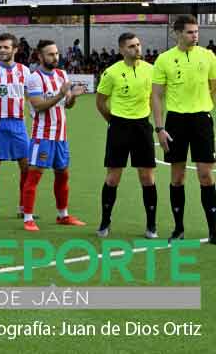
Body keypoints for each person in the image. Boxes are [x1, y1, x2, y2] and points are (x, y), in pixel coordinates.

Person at [151, 15, 216, 244]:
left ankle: (213, 229)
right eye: (190, 32)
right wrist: (159, 127)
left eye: (196, 31)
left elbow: (214, 88)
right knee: (177, 177)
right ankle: (178, 229)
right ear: (176, 33)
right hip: (176, 121)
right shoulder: (164, 60)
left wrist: (205, 111)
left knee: (205, 175)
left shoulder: (208, 56)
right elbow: (157, 96)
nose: (195, 35)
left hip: (201, 120)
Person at [95, 33, 157, 239]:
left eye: (138, 45)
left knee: (147, 177)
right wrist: (113, 122)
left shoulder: (151, 70)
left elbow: (155, 97)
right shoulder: (111, 73)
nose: (137, 49)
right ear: (122, 50)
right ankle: (105, 221)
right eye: (131, 46)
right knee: (113, 178)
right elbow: (101, 102)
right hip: (119, 126)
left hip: (142, 126)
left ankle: (151, 225)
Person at [20, 39, 86, 231]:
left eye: (56, 53)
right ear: (40, 56)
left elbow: (67, 105)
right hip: (42, 136)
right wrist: (60, 94)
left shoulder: (61, 74)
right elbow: (38, 106)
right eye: (50, 54)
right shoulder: (34, 78)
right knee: (34, 176)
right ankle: (28, 218)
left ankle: (63, 215)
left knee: (63, 175)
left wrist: (73, 97)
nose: (55, 57)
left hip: (61, 136)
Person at [0, 33, 31, 222]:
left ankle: (23, 207)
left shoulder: (25, 71)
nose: (2, 50)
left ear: (15, 50)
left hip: (18, 124)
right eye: (0, 47)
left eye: (6, 47)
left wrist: (34, 114)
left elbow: (30, 96)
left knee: (26, 167)